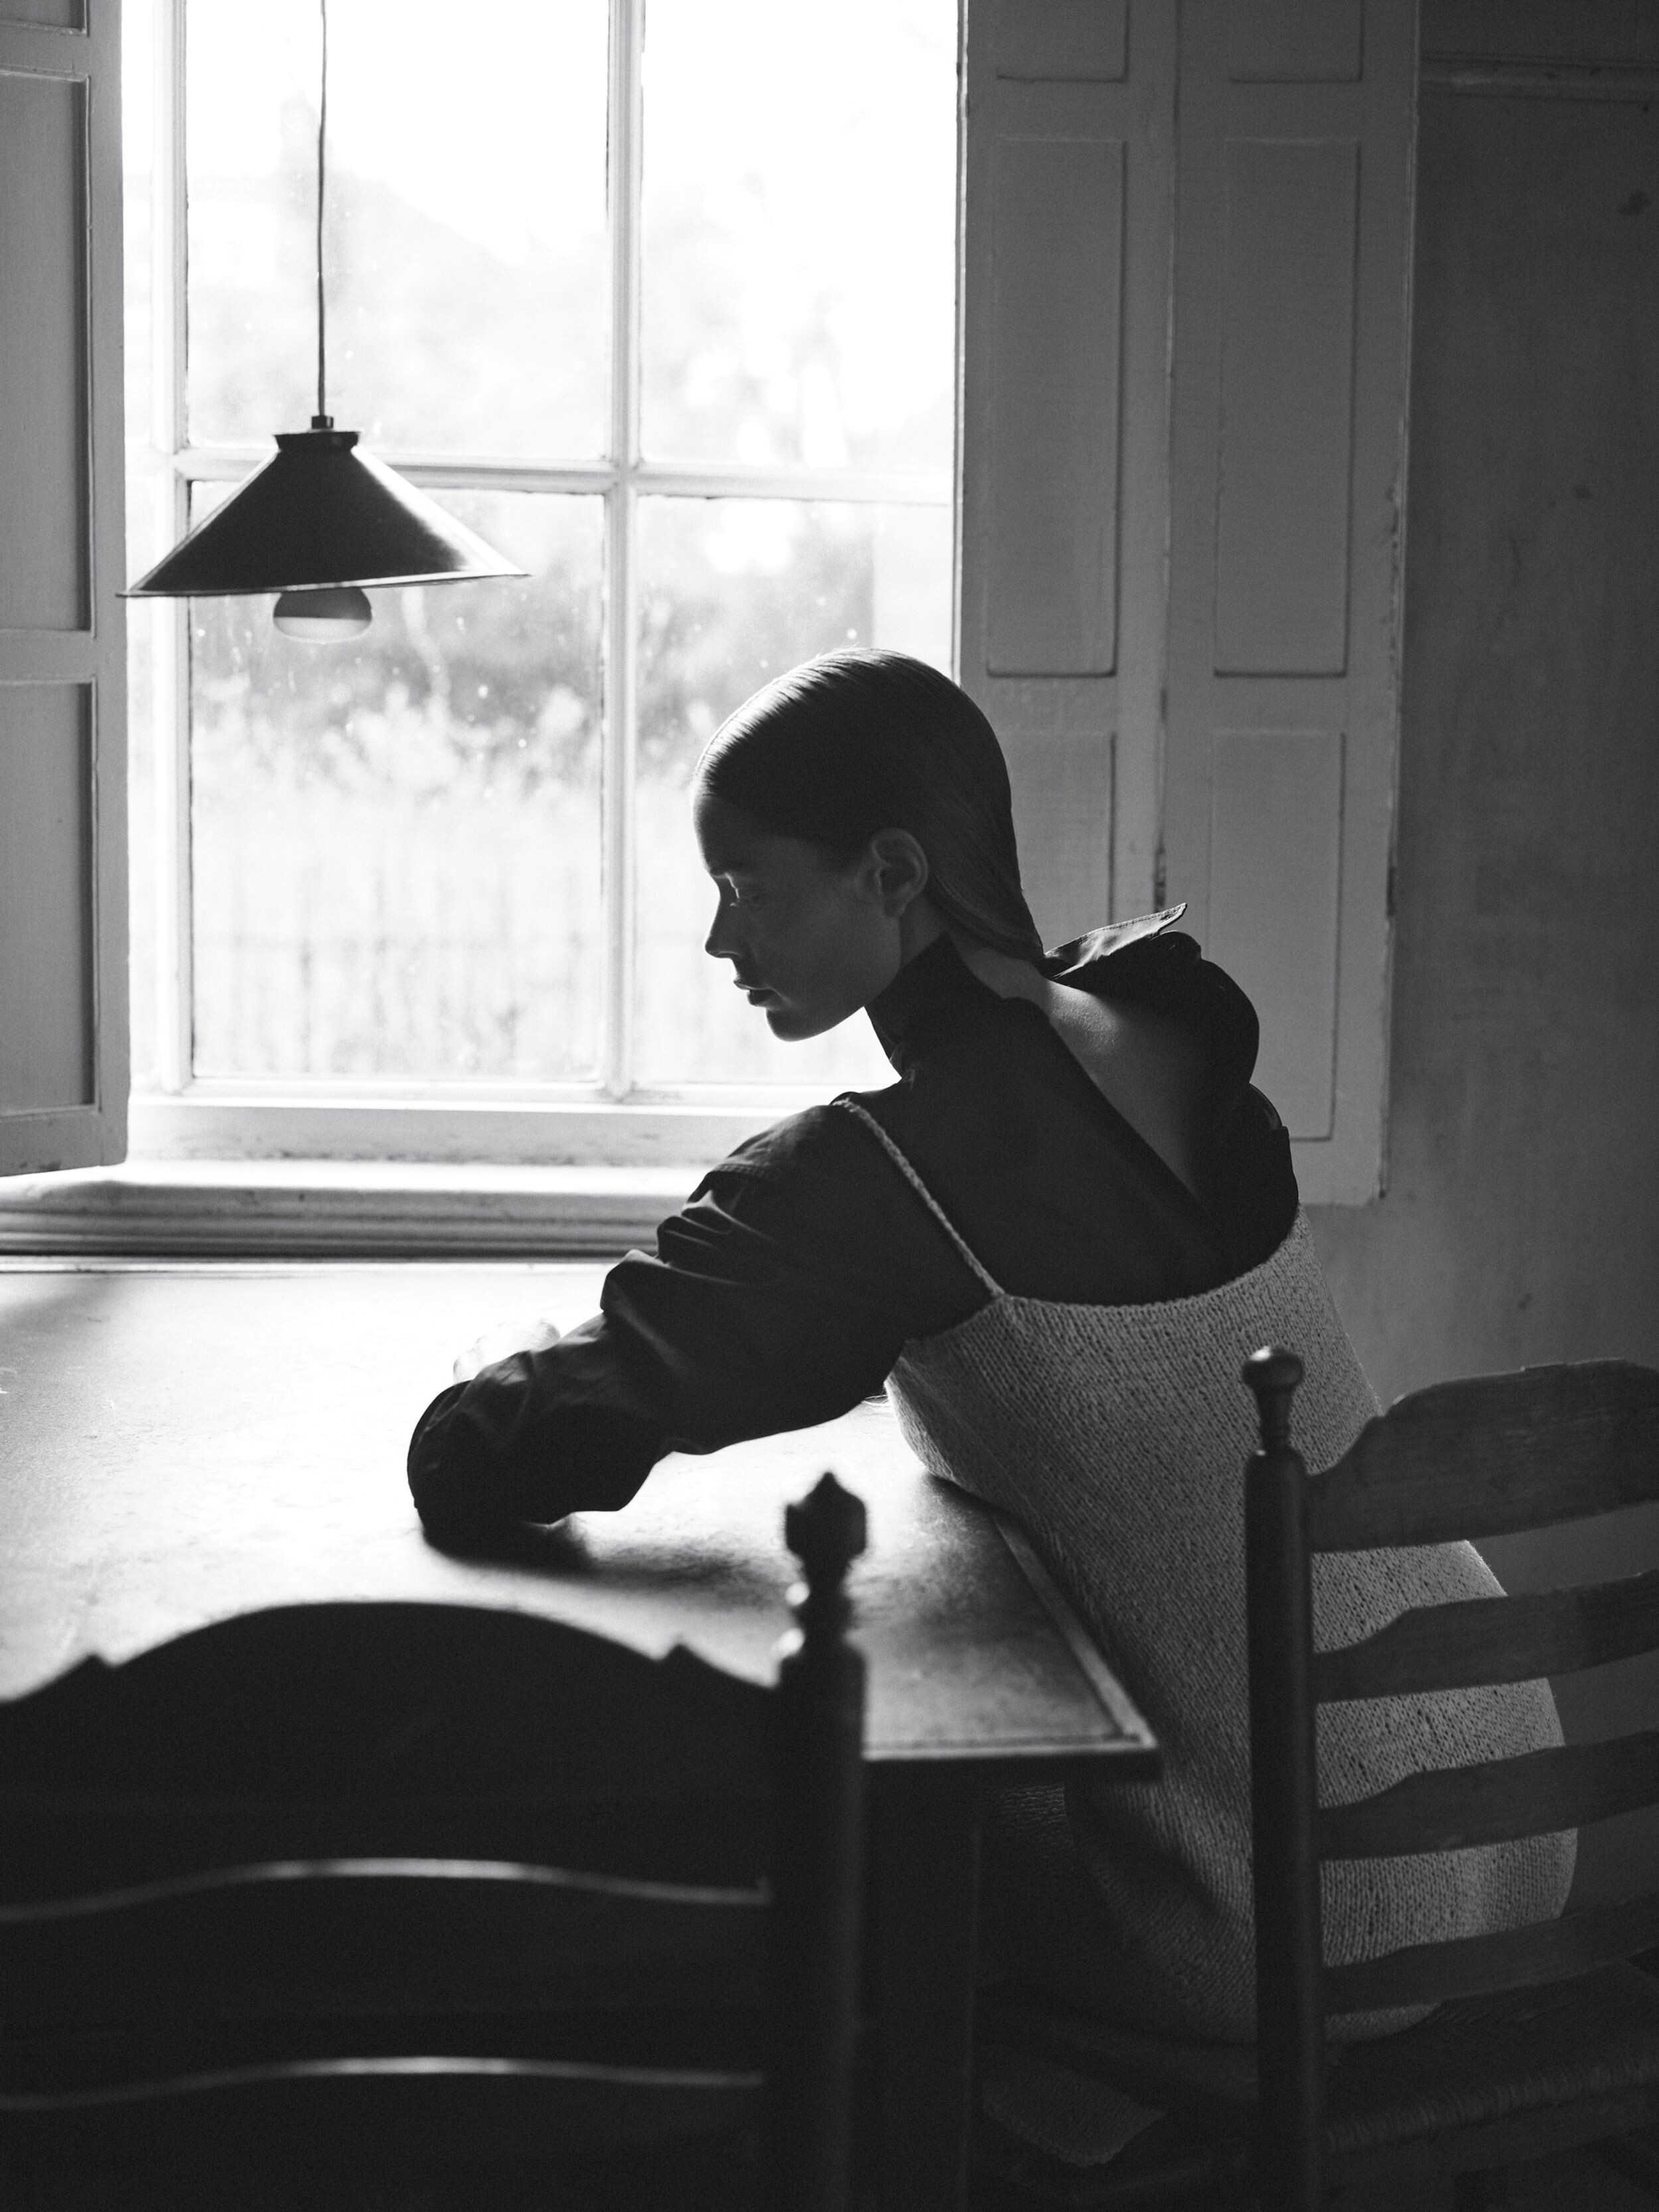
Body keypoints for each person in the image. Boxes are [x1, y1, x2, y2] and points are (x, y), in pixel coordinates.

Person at [407, 647, 1572, 2050]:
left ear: (892, 872)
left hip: (1288, 1907)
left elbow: (481, 1459)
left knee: (829, 1797)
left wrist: (505, 1350)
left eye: (748, 888)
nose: (720, 940)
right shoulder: (1169, 1014)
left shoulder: (878, 1180)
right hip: (1519, 1797)